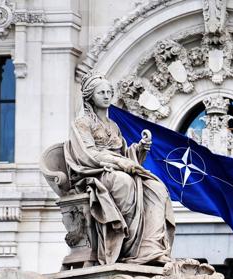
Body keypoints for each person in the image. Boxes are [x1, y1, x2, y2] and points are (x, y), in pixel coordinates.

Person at [65, 72, 175, 265]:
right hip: (97, 173)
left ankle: (150, 247)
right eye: (101, 92)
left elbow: (124, 153)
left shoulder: (113, 125)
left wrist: (140, 148)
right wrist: (120, 163)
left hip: (118, 170)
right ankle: (125, 247)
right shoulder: (82, 123)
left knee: (157, 189)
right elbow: (89, 154)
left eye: (109, 92)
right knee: (124, 183)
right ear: (90, 96)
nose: (107, 96)